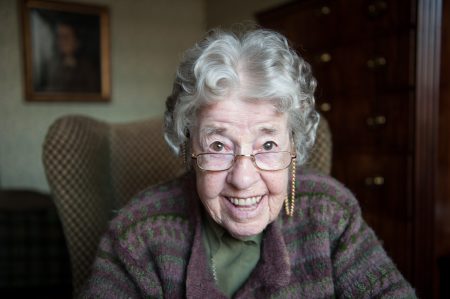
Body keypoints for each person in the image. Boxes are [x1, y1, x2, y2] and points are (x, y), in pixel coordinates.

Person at [81, 27, 416, 298]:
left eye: (268, 144)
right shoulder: (138, 235)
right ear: (188, 149)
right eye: (218, 145)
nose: (242, 178)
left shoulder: (331, 213)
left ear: (294, 147)